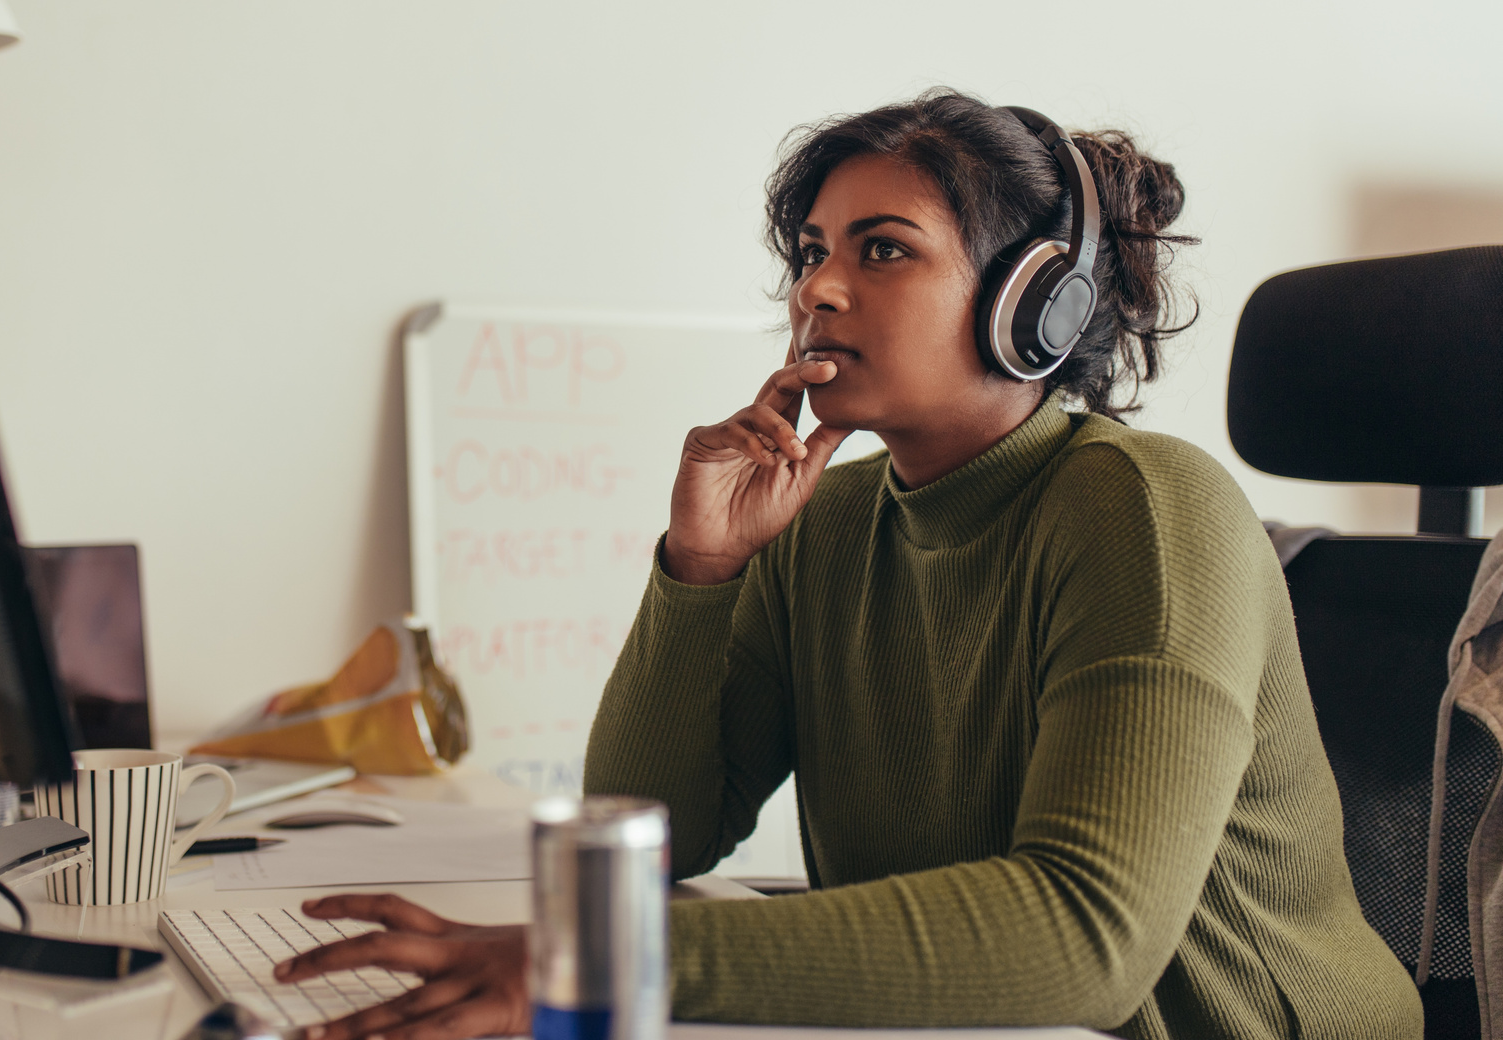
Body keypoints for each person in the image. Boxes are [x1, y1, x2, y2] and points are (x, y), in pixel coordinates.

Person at [273, 90, 1421, 1040]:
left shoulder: (1148, 510)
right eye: (814, 253)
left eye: (883, 251)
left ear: (1034, 305)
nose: (817, 289)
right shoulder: (827, 521)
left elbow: (1087, 940)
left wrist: (611, 960)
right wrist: (701, 570)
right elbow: (657, 832)